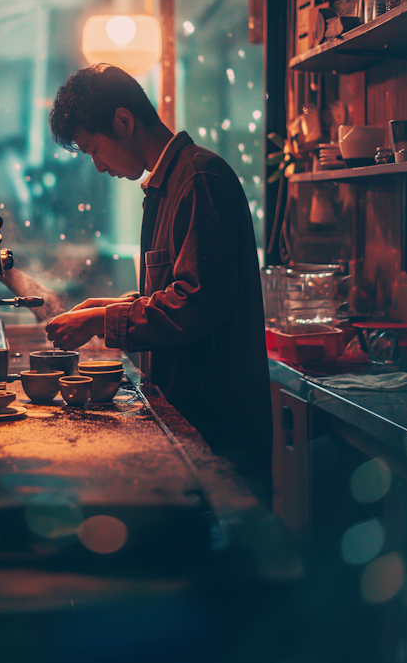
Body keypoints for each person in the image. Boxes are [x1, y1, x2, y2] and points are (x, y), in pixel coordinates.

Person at [46, 63, 272, 500]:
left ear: (124, 121)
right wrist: (102, 306)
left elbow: (196, 304)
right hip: (190, 413)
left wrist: (101, 322)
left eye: (95, 149)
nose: (97, 166)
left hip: (217, 425)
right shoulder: (168, 185)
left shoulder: (200, 179)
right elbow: (170, 292)